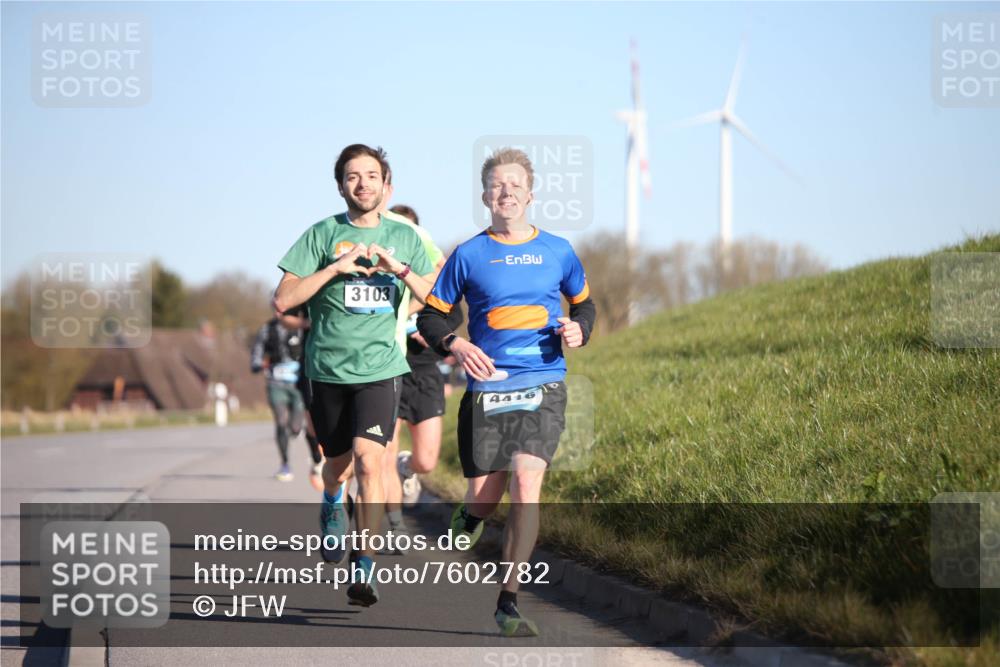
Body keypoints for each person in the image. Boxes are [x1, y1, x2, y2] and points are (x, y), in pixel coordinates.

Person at [417, 147, 596, 637]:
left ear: (530, 194)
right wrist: (455, 343)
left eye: (515, 184)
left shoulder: (558, 249)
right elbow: (430, 316)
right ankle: (470, 515)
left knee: (525, 481)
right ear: (485, 196)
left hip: (543, 382)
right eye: (498, 185)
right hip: (488, 387)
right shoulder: (469, 254)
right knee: (486, 494)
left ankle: (509, 601)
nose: (507, 191)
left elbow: (585, 306)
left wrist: (579, 329)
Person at [273, 144, 435, 607]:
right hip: (327, 370)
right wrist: (333, 269)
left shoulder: (405, 238)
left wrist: (399, 269)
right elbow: (283, 300)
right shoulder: (321, 234)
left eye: (370, 175)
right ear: (341, 185)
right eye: (352, 176)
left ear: (387, 185)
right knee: (337, 465)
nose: (362, 183)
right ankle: (329, 500)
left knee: (371, 462)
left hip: (382, 369)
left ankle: (363, 566)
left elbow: (436, 298)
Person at [378, 204, 463, 555]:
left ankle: (406, 468)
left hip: (426, 371)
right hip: (389, 369)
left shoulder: (434, 273)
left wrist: (433, 334)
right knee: (384, 455)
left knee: (426, 460)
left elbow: (453, 312)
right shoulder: (378, 274)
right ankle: (396, 526)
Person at [250, 307, 313, 482]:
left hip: (298, 384)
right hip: (275, 383)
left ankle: (297, 431)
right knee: (280, 421)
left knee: (294, 427)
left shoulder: (303, 328)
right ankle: (285, 464)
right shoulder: (266, 329)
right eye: (277, 309)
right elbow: (257, 352)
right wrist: (257, 364)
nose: (280, 314)